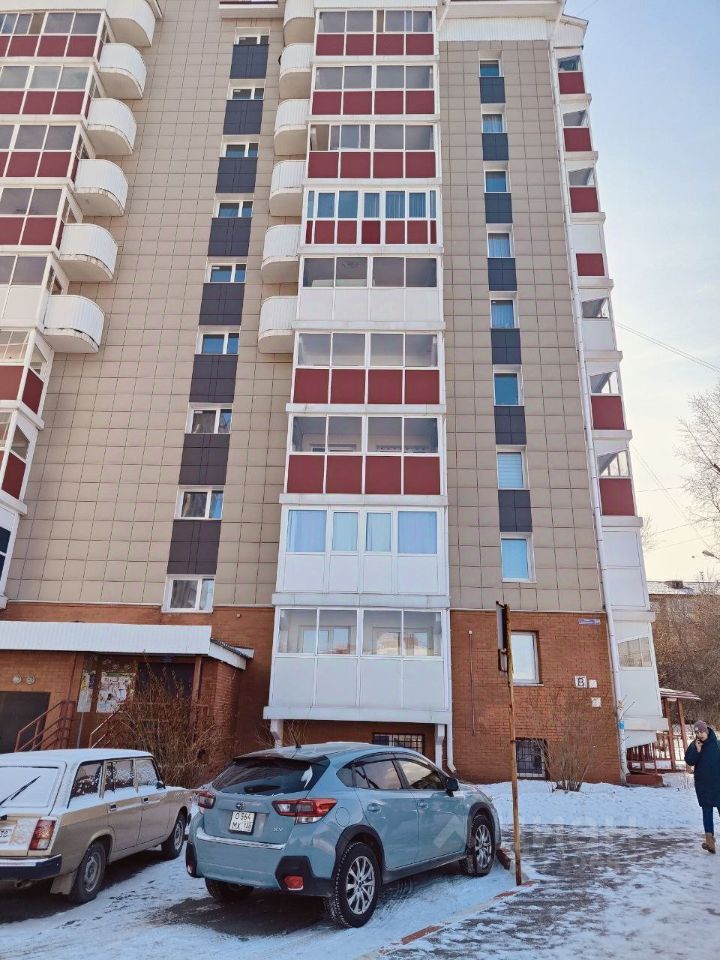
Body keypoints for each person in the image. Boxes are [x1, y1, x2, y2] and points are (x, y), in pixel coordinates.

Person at [684, 721, 720, 854]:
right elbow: (689, 761)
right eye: (697, 732)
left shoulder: (717, 744)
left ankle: (710, 841)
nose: (699, 734)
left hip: (718, 783)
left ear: (707, 730)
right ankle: (710, 842)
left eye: (701, 731)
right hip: (703, 784)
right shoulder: (694, 745)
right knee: (707, 811)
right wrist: (697, 750)